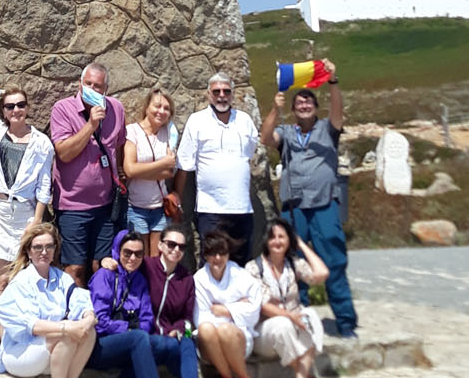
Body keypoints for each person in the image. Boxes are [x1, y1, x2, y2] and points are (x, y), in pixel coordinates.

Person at [260, 59, 359, 339]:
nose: (304, 106)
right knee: (292, 266)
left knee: (334, 263)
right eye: (299, 103)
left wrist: (333, 82)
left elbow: (339, 113)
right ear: (293, 110)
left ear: (316, 107)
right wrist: (275, 110)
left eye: (309, 103)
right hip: (294, 210)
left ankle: (346, 323)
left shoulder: (328, 129)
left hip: (325, 206)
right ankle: (298, 320)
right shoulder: (288, 133)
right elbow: (266, 138)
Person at [0, 221, 98, 378]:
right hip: (21, 354)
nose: (44, 252)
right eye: (38, 247)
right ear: (29, 252)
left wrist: (87, 319)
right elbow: (33, 326)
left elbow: (82, 303)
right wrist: (67, 328)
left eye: (49, 246)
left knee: (88, 332)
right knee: (65, 336)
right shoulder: (21, 283)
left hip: (47, 350)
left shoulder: (62, 279)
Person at [0, 85, 54, 329]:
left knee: (24, 281)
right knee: (1, 283)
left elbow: (44, 186)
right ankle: (4, 344)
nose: (16, 110)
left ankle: (23, 337)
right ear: (4, 111)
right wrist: (3, 90)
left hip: (24, 217)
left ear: (27, 108)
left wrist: (36, 222)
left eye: (20, 105)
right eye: (10, 106)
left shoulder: (42, 143)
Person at [87, 231, 177, 378]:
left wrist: (134, 330)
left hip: (129, 343)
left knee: (163, 344)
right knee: (139, 338)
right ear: (117, 251)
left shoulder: (140, 280)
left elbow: (146, 318)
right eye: (127, 253)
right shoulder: (105, 276)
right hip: (99, 347)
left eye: (138, 254)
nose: (132, 258)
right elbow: (99, 320)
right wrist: (128, 329)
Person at [50, 61, 126, 285]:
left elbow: (118, 146)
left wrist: (120, 176)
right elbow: (64, 153)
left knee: (102, 266)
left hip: (105, 206)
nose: (92, 89)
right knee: (75, 269)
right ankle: (76, 317)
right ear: (80, 84)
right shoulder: (63, 109)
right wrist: (91, 124)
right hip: (73, 206)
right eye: (88, 84)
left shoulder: (116, 108)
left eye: (98, 86)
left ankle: (99, 316)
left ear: (106, 90)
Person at [175, 73, 262, 266]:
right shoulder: (197, 121)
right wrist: (177, 198)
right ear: (208, 94)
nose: (221, 95)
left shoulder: (245, 121)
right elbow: (184, 165)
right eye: (216, 91)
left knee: (240, 266)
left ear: (232, 94)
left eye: (226, 91)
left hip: (242, 209)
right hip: (210, 210)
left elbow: (248, 154)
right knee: (211, 264)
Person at [249, 218, 330, 378]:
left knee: (311, 315)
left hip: (294, 324)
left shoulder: (293, 264)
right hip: (265, 331)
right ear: (265, 241)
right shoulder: (254, 268)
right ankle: (308, 376)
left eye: (282, 237)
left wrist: (301, 244)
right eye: (272, 237)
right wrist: (290, 316)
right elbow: (263, 305)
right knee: (283, 324)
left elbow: (322, 274)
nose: (277, 241)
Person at [141, 225, 212, 378]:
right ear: (161, 246)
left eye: (181, 247)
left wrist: (179, 329)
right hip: (147, 335)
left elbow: (188, 318)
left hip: (172, 335)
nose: (176, 250)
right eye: (171, 245)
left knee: (187, 337)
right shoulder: (146, 267)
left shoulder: (187, 279)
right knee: (172, 347)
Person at [193, 230, 262, 378]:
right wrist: (239, 305)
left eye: (222, 253)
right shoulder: (199, 279)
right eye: (211, 253)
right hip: (211, 343)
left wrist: (227, 310)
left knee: (225, 330)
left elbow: (254, 307)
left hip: (238, 337)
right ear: (205, 255)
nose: (217, 258)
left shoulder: (240, 275)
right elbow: (201, 315)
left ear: (228, 254)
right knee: (207, 329)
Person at [123, 88, 179, 257]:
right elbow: (129, 169)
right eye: (157, 106)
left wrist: (141, 170)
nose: (161, 111)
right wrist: (162, 163)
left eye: (166, 108)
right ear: (147, 107)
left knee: (157, 262)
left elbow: (170, 172)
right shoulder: (132, 131)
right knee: (140, 258)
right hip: (136, 208)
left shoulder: (169, 133)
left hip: (160, 209)